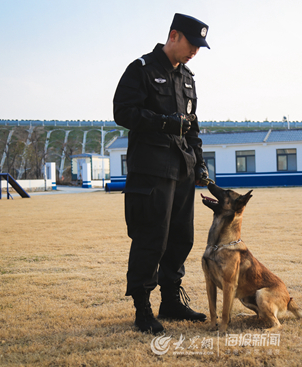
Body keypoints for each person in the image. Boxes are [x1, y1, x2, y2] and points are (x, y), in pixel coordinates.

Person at [113, 13, 211, 334]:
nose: (195, 51)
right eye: (192, 44)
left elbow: (192, 126)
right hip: (151, 171)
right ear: (174, 35)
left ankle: (170, 301)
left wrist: (200, 162)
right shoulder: (141, 69)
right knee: (151, 238)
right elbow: (122, 111)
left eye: (200, 46)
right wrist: (163, 121)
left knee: (181, 238)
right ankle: (142, 309)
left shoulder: (187, 78)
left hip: (181, 170)